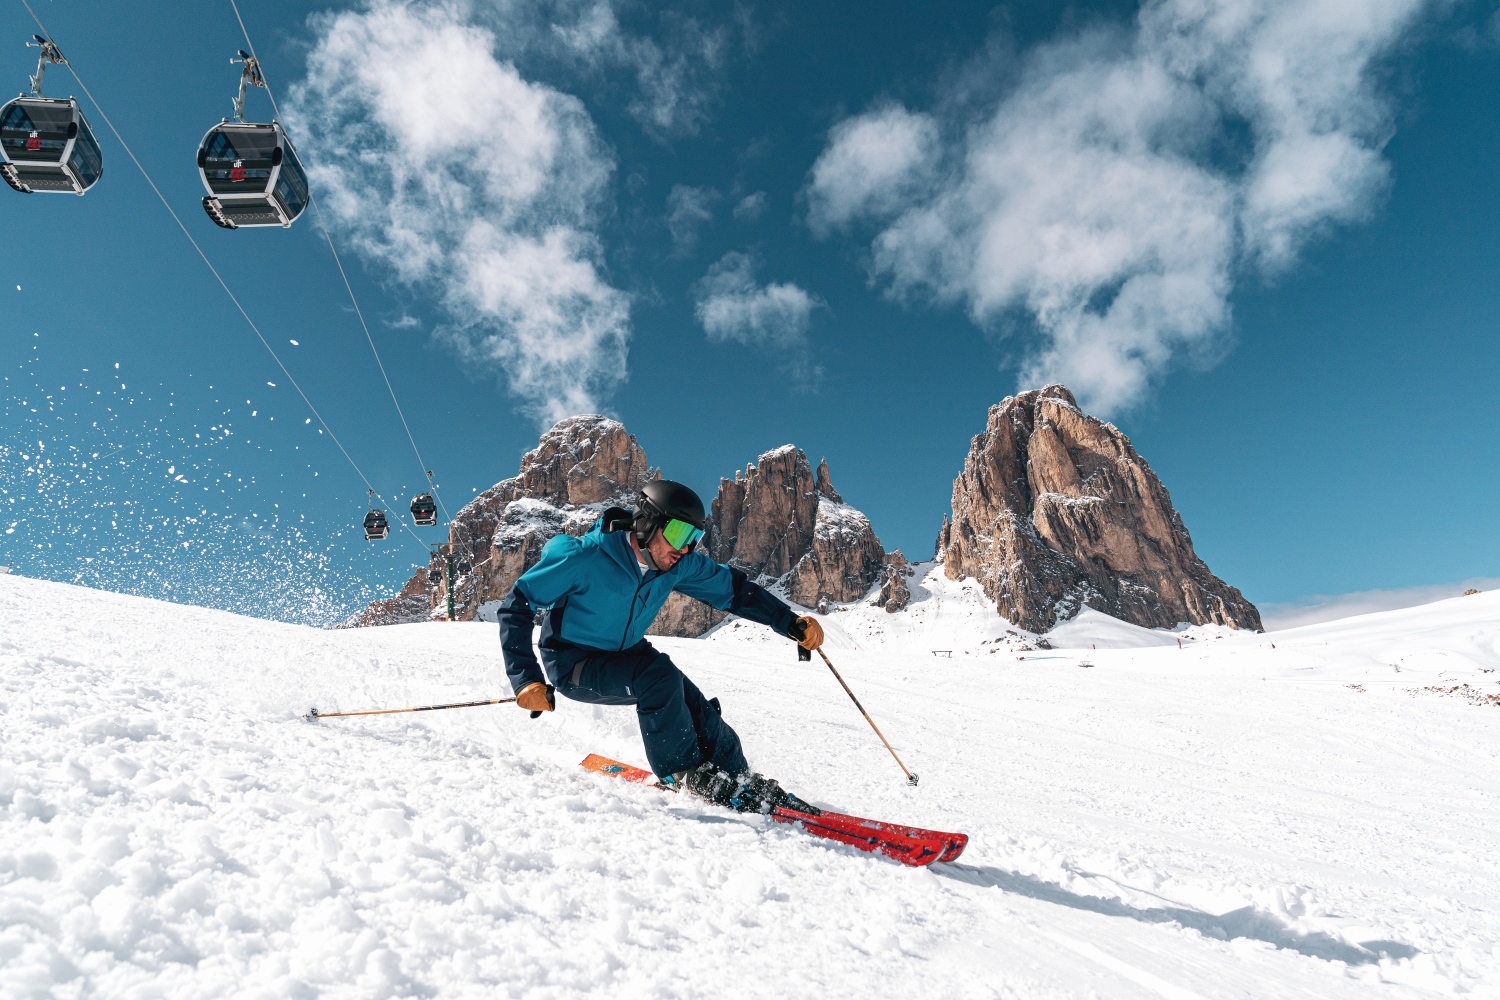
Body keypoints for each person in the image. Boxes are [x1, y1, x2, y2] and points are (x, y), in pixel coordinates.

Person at [498, 480, 825, 812]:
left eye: (693, 539)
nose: (685, 549)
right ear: (647, 524)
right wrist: (525, 678)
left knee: (691, 702)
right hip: (573, 661)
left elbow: (734, 590)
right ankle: (683, 774)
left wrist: (787, 621)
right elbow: (518, 603)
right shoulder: (585, 557)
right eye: (679, 534)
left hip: (628, 653)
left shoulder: (675, 565)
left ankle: (737, 777)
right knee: (658, 677)